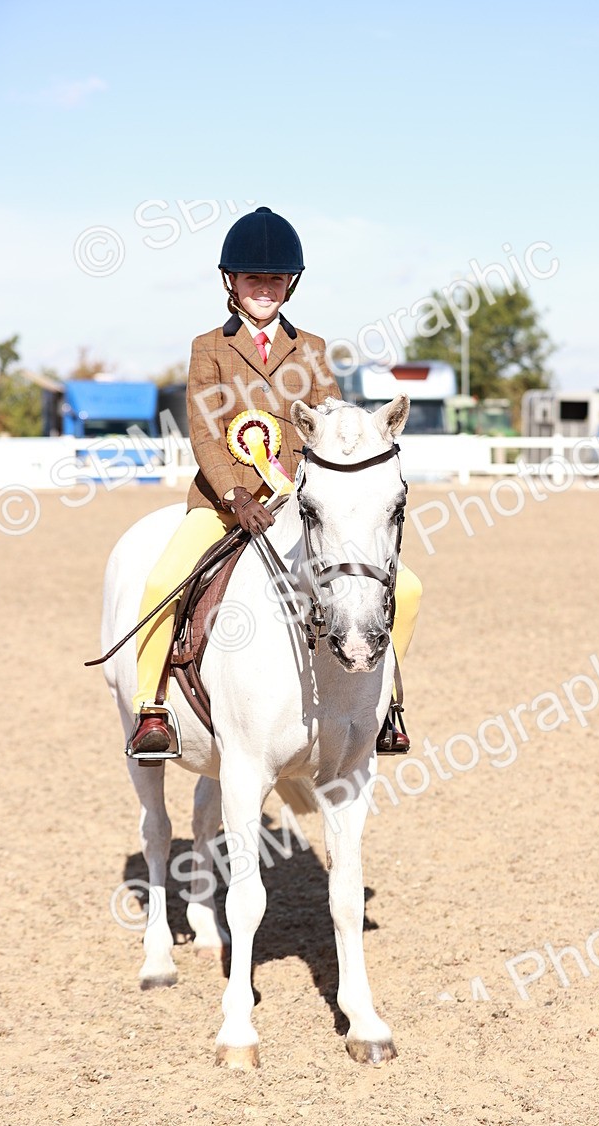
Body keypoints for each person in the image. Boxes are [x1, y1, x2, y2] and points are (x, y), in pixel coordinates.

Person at [129, 206, 421, 759]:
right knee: (159, 585)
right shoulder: (208, 348)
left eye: (274, 279)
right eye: (252, 278)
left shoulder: (310, 347)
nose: (264, 288)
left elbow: (331, 419)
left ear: (290, 284)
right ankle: (152, 707)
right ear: (230, 282)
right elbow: (204, 431)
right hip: (223, 503)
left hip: (298, 504)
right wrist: (236, 496)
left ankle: (385, 707)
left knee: (406, 589)